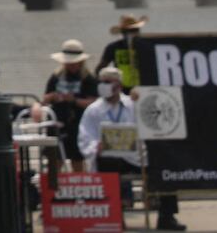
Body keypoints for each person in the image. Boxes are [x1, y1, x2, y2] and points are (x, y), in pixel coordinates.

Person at [78, 68, 184, 231]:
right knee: (107, 163)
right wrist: (95, 147)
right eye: (102, 82)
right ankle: (116, 215)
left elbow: (150, 126)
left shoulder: (134, 104)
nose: (104, 86)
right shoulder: (94, 110)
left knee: (165, 165)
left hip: (137, 157)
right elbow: (85, 136)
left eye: (108, 82)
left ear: (118, 85)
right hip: (110, 158)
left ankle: (167, 216)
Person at [42, 39, 98, 171]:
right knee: (55, 159)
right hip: (58, 121)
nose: (71, 65)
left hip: (78, 122)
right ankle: (53, 188)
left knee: (77, 160)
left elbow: (93, 102)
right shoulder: (56, 76)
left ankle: (79, 187)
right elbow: (45, 98)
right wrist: (53, 97)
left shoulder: (88, 78)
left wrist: (73, 100)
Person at [98, 15, 147, 90]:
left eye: (135, 30)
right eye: (130, 31)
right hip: (121, 89)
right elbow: (101, 68)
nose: (133, 33)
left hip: (144, 87)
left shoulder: (146, 46)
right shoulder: (113, 47)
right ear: (123, 33)